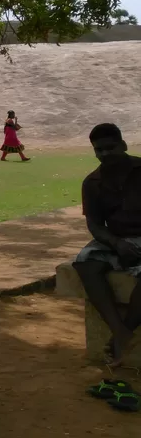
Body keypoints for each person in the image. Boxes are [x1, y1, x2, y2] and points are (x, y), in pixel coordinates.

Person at [72, 123, 141, 367]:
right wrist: (117, 243)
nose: (103, 154)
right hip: (115, 238)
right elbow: (95, 225)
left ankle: (124, 332)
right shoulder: (92, 182)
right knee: (85, 263)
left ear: (123, 145)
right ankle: (120, 332)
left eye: (109, 148)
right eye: (98, 150)